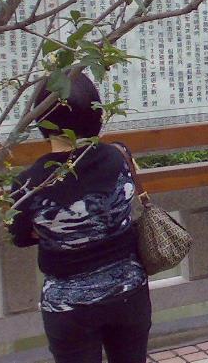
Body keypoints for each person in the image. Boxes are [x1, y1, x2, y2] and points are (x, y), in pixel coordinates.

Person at [9, 73, 152, 363]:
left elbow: (21, 236)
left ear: (41, 118)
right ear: (95, 112)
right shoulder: (118, 157)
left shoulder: (29, 184)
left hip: (68, 306)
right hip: (129, 293)